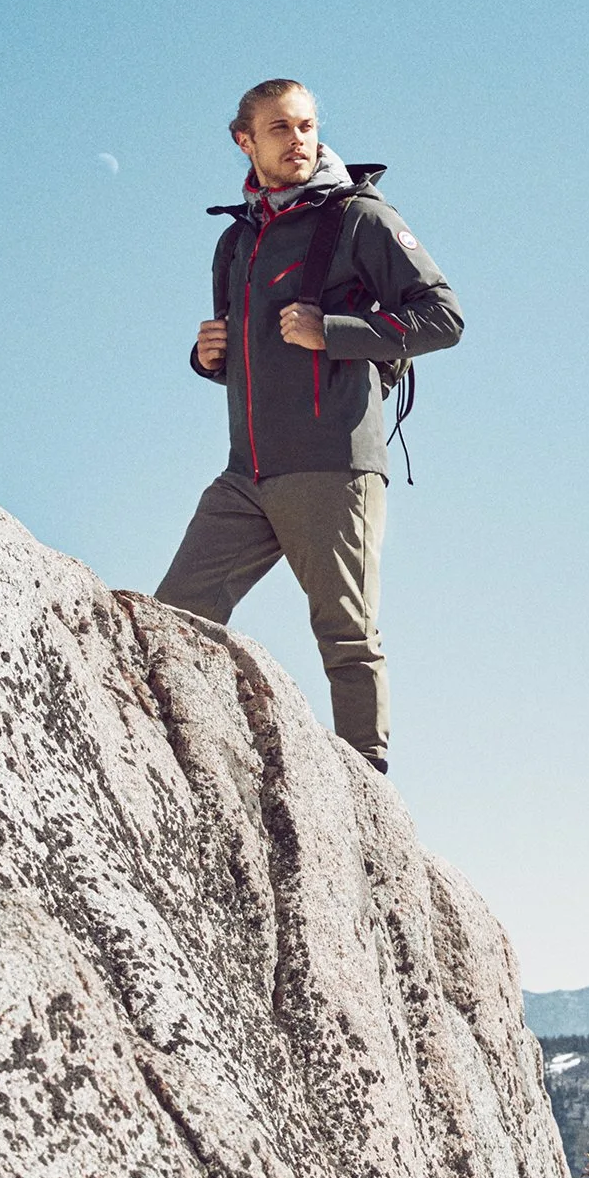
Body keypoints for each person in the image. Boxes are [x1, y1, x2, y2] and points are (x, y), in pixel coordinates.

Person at [155, 79, 464, 772]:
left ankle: (365, 789)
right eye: (280, 129)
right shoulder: (236, 241)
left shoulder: (360, 217)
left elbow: (443, 318)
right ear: (245, 141)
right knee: (174, 615)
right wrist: (211, 357)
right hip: (247, 474)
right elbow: (249, 354)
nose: (299, 141)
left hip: (332, 465)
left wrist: (335, 330)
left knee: (345, 634)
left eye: (306, 126)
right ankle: (183, 759)